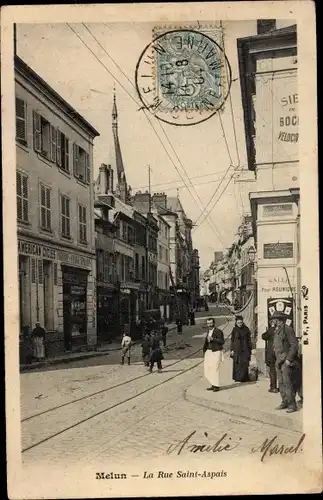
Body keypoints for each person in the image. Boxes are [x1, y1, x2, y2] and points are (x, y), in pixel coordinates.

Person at [271, 311, 299, 413]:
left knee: (288, 383)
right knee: (281, 383)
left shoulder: (288, 329)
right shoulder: (277, 330)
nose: (272, 321)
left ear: (279, 320)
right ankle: (285, 401)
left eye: (274, 319)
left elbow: (294, 345)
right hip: (278, 360)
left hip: (285, 361)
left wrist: (289, 359)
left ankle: (292, 405)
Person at [203, 317, 225, 392]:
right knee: (209, 368)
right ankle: (213, 384)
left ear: (214, 323)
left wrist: (213, 339)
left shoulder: (218, 331)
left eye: (211, 323)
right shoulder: (208, 331)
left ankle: (216, 386)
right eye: (208, 323)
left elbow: (222, 341)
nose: (209, 325)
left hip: (216, 351)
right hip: (209, 352)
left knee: (215, 369)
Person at [230, 315, 252, 382]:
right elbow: (232, 340)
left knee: (244, 363)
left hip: (245, 349)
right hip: (237, 349)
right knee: (237, 363)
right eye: (238, 322)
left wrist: (250, 349)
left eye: (241, 322)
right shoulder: (234, 330)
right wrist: (232, 349)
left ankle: (244, 378)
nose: (240, 324)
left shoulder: (246, 329)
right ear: (236, 323)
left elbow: (249, 340)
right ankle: (237, 378)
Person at [262, 319, 279, 393]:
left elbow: (263, 336)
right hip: (279, 353)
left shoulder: (271, 330)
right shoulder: (282, 329)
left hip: (271, 353)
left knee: (272, 370)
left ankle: (273, 387)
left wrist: (271, 328)